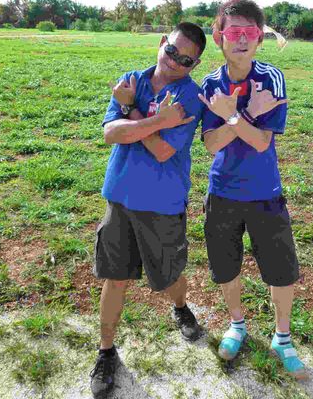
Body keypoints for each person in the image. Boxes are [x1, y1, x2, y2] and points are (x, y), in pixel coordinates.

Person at [90, 22, 206, 398]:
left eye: (185, 60)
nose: (174, 62)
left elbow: (162, 151)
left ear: (194, 65)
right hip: (121, 197)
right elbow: (111, 133)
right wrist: (156, 120)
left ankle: (181, 307)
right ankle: (106, 351)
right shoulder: (132, 81)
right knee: (115, 278)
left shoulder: (190, 97)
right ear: (161, 43)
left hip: (162, 201)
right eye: (171, 51)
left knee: (170, 276)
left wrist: (131, 112)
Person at [198, 0, 307, 379]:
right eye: (234, 32)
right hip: (222, 192)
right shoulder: (211, 83)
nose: (241, 39)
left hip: (265, 192)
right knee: (225, 265)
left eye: (250, 32)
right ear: (219, 37)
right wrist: (246, 115)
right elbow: (211, 144)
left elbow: (262, 142)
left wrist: (230, 116)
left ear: (260, 38)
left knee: (281, 269)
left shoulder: (271, 79)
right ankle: (237, 325)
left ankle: (282, 337)